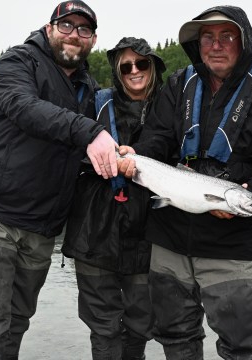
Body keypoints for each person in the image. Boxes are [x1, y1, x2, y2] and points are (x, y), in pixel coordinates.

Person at [117, 5, 252, 360]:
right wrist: (133, 155)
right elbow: (157, 140)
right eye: (207, 37)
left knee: (244, 346)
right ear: (196, 44)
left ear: (243, 42)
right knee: (175, 337)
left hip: (235, 248)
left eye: (226, 36)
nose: (216, 45)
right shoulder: (175, 86)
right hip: (169, 240)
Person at [0, 1, 119, 359]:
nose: (74, 34)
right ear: (49, 27)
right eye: (66, 25)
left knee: (15, 322)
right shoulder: (17, 62)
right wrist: (91, 132)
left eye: (84, 29)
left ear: (93, 39)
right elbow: (25, 109)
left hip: (40, 227)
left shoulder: (88, 87)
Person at [62, 37, 166, 360]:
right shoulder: (95, 102)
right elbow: (69, 144)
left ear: (153, 67)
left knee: (141, 322)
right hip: (94, 233)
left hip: (147, 236)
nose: (134, 70)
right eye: (126, 66)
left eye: (142, 63)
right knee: (103, 327)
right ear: (117, 72)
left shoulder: (170, 107)